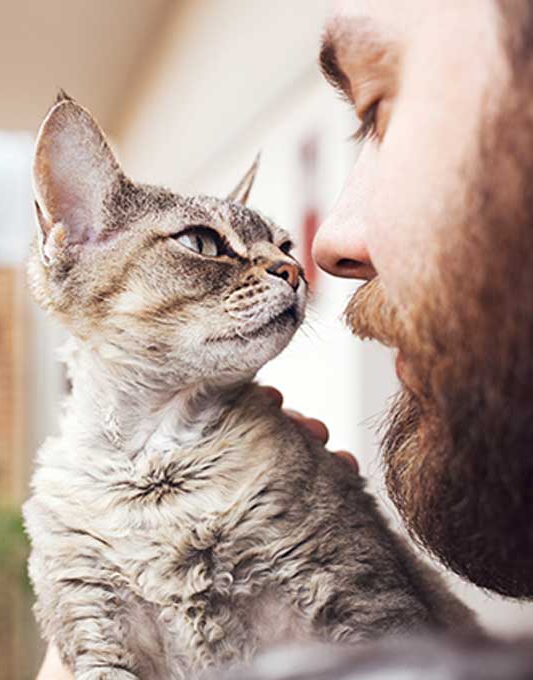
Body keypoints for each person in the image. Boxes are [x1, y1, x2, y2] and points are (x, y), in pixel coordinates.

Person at [37, 0, 533, 677]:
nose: (295, 268)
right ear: (74, 242)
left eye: (378, 111)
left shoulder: (287, 477)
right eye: (206, 245)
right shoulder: (68, 523)